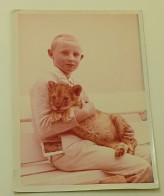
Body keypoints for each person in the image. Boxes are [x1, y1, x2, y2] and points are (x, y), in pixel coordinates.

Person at [30, 34, 153, 183]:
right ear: (51, 53)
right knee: (142, 167)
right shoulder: (44, 83)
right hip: (65, 151)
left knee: (151, 156)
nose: (71, 58)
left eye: (76, 54)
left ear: (81, 58)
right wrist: (83, 113)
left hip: (89, 142)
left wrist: (122, 132)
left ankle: (114, 183)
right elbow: (43, 129)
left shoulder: (74, 82)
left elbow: (92, 115)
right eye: (64, 52)